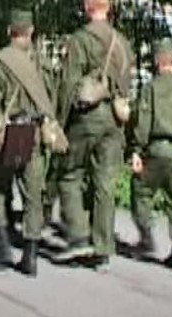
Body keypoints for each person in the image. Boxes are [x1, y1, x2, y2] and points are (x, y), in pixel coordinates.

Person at [0, 9, 62, 277]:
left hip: (9, 132)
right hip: (34, 133)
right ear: (31, 32)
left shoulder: (0, 61)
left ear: (9, 32)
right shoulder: (42, 63)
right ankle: (30, 256)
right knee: (33, 195)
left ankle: (2, 245)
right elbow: (52, 99)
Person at [55, 0, 133, 270]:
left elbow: (68, 84)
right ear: (108, 8)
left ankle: (78, 235)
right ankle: (103, 249)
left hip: (86, 118)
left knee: (69, 173)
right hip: (115, 120)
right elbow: (127, 85)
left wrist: (59, 123)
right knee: (105, 183)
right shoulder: (123, 44)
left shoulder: (80, 39)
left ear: (88, 7)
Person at [129, 38, 172, 271]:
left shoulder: (151, 89)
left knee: (141, 191)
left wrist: (136, 150)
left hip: (156, 150)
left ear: (158, 62)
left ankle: (146, 237)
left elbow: (143, 123)